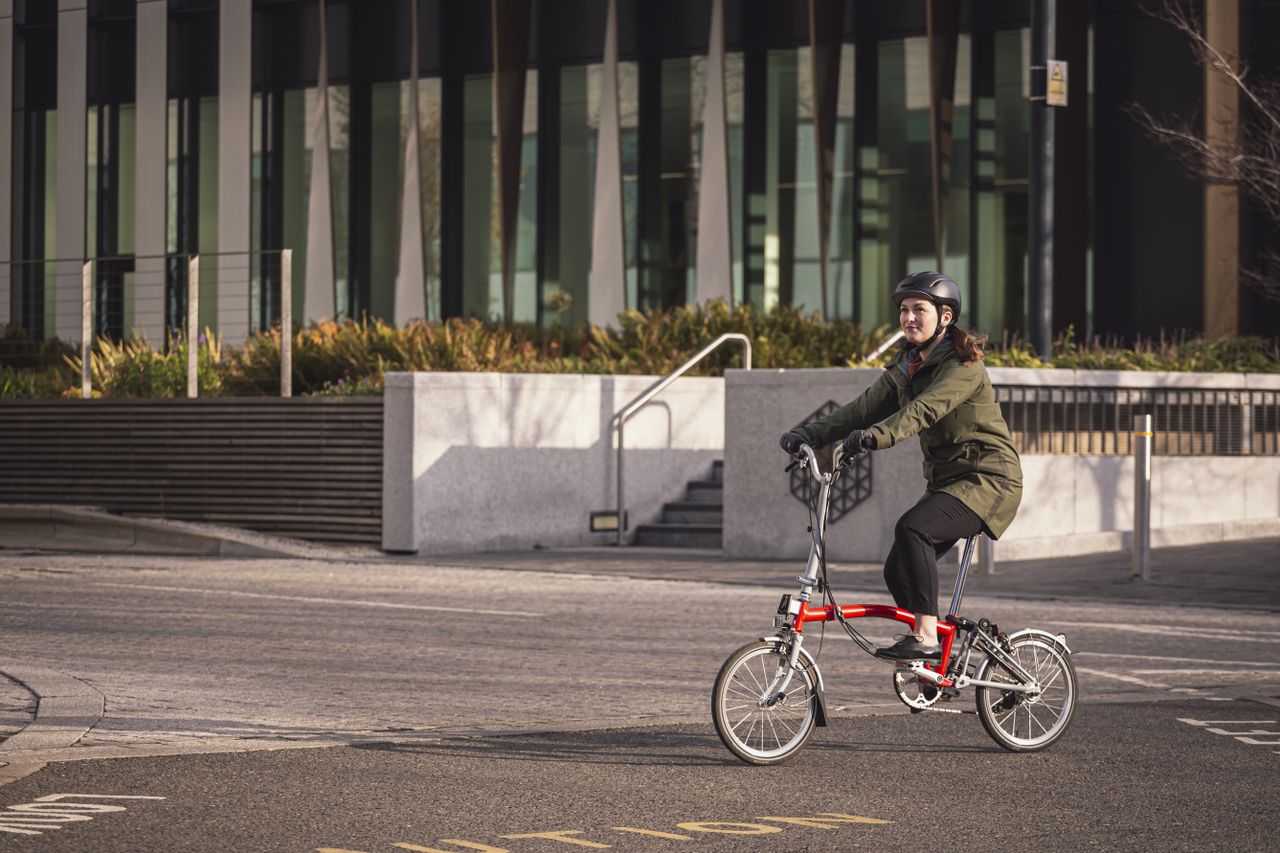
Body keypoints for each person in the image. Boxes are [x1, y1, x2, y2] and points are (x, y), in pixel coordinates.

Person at [778, 271, 1023, 662]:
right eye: (904, 310)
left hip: (988, 481)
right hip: (948, 483)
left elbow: (923, 411)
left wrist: (875, 436)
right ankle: (935, 655)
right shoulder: (907, 366)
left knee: (913, 529)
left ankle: (926, 635)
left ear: (945, 317)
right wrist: (809, 434)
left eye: (919, 310)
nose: (909, 317)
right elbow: (861, 409)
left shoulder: (963, 366)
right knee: (897, 570)